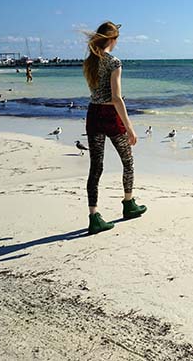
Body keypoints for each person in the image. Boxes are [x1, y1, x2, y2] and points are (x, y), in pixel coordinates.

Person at [82, 21, 146, 234]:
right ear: (112, 39)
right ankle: (129, 204)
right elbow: (116, 98)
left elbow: (97, 92)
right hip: (111, 115)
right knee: (128, 161)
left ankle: (94, 217)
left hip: (93, 114)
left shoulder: (90, 61)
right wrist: (130, 127)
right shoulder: (114, 62)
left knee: (96, 168)